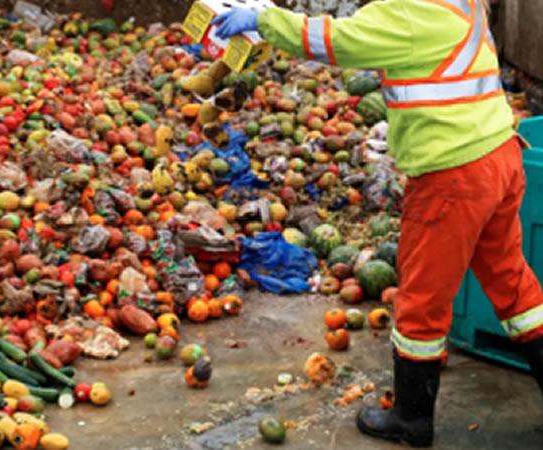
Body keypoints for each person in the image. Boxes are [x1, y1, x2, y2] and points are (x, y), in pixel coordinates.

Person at [213, 0, 543, 447]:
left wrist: (263, 20)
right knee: (511, 281)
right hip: (499, 153)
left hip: (453, 174)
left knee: (422, 298)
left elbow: (333, 39)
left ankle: (412, 418)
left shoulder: (405, 13)